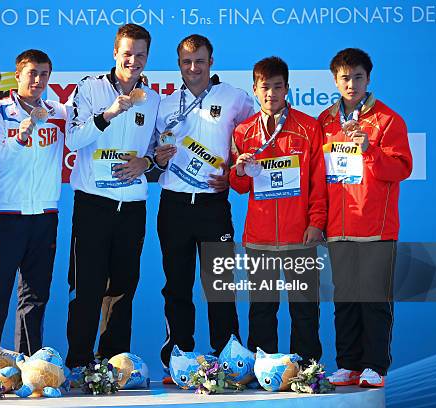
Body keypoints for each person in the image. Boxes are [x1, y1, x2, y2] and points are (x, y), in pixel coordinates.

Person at [154, 34, 254, 379]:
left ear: (211, 62)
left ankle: (228, 359)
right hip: (174, 205)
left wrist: (235, 171)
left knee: (220, 285)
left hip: (213, 205)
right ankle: (178, 359)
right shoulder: (164, 103)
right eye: (186, 62)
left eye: (199, 61)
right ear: (178, 65)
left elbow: (254, 143)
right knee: (176, 286)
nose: (193, 68)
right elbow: (153, 153)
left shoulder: (236, 98)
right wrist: (157, 157)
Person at [64, 24, 160, 371]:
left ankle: (114, 366)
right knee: (87, 288)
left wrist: (146, 162)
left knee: (122, 289)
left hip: (132, 207)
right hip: (93, 204)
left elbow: (158, 151)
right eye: (127, 53)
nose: (133, 61)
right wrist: (107, 115)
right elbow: (72, 141)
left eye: (140, 55)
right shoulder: (89, 88)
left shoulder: (154, 100)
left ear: (148, 57)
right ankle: (78, 364)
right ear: (115, 53)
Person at [0, 50, 67, 369]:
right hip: (6, 219)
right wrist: (20, 137)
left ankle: (31, 369)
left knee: (35, 299)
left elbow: (88, 131)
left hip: (46, 218)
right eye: (32, 73)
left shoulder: (58, 112)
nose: (38, 80)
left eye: (44, 74)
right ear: (18, 75)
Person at [320, 48, 412, 388]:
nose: (352, 83)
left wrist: (369, 149)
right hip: (339, 228)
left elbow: (402, 168)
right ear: (335, 80)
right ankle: (347, 364)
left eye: (358, 77)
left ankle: (375, 365)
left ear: (368, 79)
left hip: (376, 228)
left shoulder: (388, 120)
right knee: (345, 301)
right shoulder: (326, 121)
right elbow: (319, 174)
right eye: (345, 77)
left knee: (373, 300)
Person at [229, 56, 326, 366]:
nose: (271, 93)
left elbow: (318, 181)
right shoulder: (244, 131)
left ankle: (307, 370)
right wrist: (240, 171)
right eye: (264, 87)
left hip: (300, 235)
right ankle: (264, 369)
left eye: (277, 86)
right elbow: (240, 186)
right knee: (261, 308)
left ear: (287, 89)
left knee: (304, 308)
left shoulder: (308, 127)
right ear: (255, 90)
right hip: (260, 238)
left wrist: (316, 222)